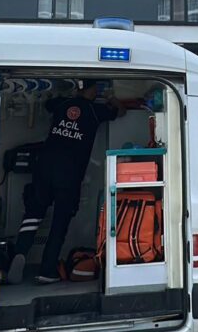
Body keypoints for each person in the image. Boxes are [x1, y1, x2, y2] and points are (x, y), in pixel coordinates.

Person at [8, 80, 125, 284]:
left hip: (44, 167)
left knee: (34, 214)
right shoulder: (95, 110)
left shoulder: (61, 104)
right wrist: (111, 98)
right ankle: (47, 270)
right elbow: (120, 112)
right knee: (60, 221)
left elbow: (48, 104)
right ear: (92, 90)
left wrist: (69, 96)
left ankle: (20, 253)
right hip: (69, 173)